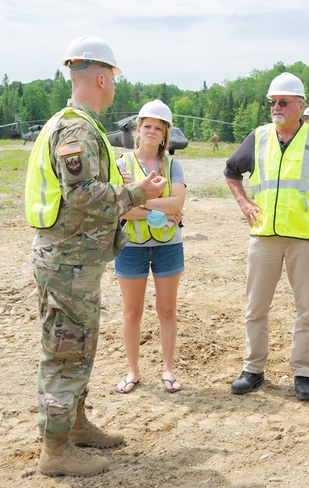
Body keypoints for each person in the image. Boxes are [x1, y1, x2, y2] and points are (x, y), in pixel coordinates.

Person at [24, 35, 166, 478]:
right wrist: (138, 192)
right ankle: (56, 451)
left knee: (78, 347)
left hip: (73, 261)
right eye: (114, 81)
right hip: (67, 264)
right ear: (102, 78)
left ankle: (76, 425)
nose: (115, 89)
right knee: (66, 352)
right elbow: (83, 194)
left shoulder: (75, 124)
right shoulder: (77, 129)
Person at [224, 72, 309, 401]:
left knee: (307, 308)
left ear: (300, 105)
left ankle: (303, 373)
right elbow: (231, 171)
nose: (276, 107)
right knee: (255, 307)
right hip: (264, 237)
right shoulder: (259, 137)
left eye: (283, 102)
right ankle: (253, 369)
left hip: (306, 240)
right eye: (272, 102)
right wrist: (243, 201)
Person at [114, 100, 187, 395]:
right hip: (131, 246)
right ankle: (133, 371)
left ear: (165, 134)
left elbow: (178, 203)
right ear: (137, 129)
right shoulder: (121, 165)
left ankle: (168, 370)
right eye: (147, 126)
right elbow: (118, 210)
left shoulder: (173, 165)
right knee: (132, 313)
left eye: (158, 128)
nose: (152, 132)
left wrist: (137, 199)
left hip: (168, 246)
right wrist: (158, 212)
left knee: (167, 310)